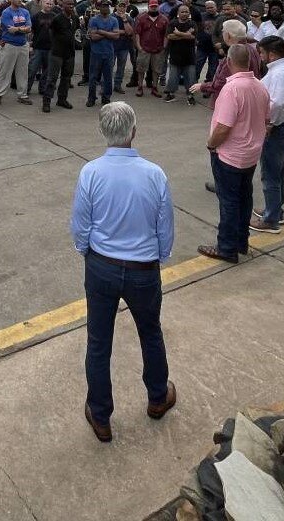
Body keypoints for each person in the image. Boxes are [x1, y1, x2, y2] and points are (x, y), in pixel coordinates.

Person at [70, 102, 176, 443]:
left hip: (102, 266)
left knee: (99, 342)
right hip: (144, 268)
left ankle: (100, 416)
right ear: (133, 131)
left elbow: (80, 225)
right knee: (151, 332)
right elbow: (165, 227)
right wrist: (158, 257)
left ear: (103, 133)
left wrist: (87, 252)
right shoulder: (154, 173)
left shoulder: (91, 172)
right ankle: (158, 397)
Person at [199, 45, 270, 263]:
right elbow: (266, 119)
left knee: (228, 201)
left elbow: (223, 127)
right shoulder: (260, 86)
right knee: (244, 198)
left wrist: (211, 145)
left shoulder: (232, 89)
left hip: (230, 155)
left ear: (229, 62)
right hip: (250, 154)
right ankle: (241, 241)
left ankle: (227, 247)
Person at [250, 36, 284, 234]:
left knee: (270, 175)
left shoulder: (280, 74)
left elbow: (278, 102)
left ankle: (271, 219)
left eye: (262, 53)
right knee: (278, 173)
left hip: (280, 130)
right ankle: (275, 210)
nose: (261, 57)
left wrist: (269, 122)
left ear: (271, 54)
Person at [0, 0, 32, 107]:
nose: (19, 0)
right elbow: (10, 29)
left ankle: (22, 95)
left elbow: (29, 28)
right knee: (5, 71)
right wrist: (23, 29)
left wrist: (19, 29)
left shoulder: (25, 11)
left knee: (23, 71)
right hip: (9, 45)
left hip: (23, 45)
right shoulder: (6, 12)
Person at [45, 0, 77, 111]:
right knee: (52, 79)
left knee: (66, 78)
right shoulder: (57, 19)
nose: (71, 6)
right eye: (68, 4)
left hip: (69, 54)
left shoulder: (74, 18)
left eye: (72, 4)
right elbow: (51, 33)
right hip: (57, 54)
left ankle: (62, 99)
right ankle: (47, 101)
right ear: (62, 5)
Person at [85, 0, 119, 108]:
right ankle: (91, 98)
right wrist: (109, 34)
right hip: (96, 53)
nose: (106, 8)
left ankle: (106, 97)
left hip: (109, 53)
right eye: (104, 6)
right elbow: (93, 37)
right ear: (99, 8)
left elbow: (116, 36)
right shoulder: (93, 20)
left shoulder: (114, 20)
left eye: (107, 6)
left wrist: (101, 32)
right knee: (93, 76)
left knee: (108, 76)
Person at [163, 5, 198, 104]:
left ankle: (190, 96)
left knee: (190, 78)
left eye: (186, 12)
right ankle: (170, 94)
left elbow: (193, 37)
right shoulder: (172, 23)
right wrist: (186, 34)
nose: (184, 13)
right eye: (182, 12)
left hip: (190, 57)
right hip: (175, 56)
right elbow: (170, 36)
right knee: (173, 77)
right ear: (178, 13)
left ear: (189, 13)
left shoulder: (193, 23)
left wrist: (178, 33)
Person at [134, 0, 168, 98]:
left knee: (156, 70)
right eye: (152, 6)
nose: (154, 8)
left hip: (158, 49)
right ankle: (140, 87)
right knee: (141, 69)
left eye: (155, 6)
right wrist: (139, 47)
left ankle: (154, 87)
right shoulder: (141, 18)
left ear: (158, 6)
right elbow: (137, 34)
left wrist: (164, 46)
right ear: (148, 7)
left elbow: (166, 34)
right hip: (144, 48)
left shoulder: (164, 19)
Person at [29, 0, 56, 101]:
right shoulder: (36, 16)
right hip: (38, 48)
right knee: (32, 70)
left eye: (50, 4)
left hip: (50, 48)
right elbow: (31, 32)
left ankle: (43, 88)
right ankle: (27, 88)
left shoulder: (55, 16)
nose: (49, 5)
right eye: (47, 3)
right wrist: (30, 45)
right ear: (42, 4)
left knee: (47, 71)